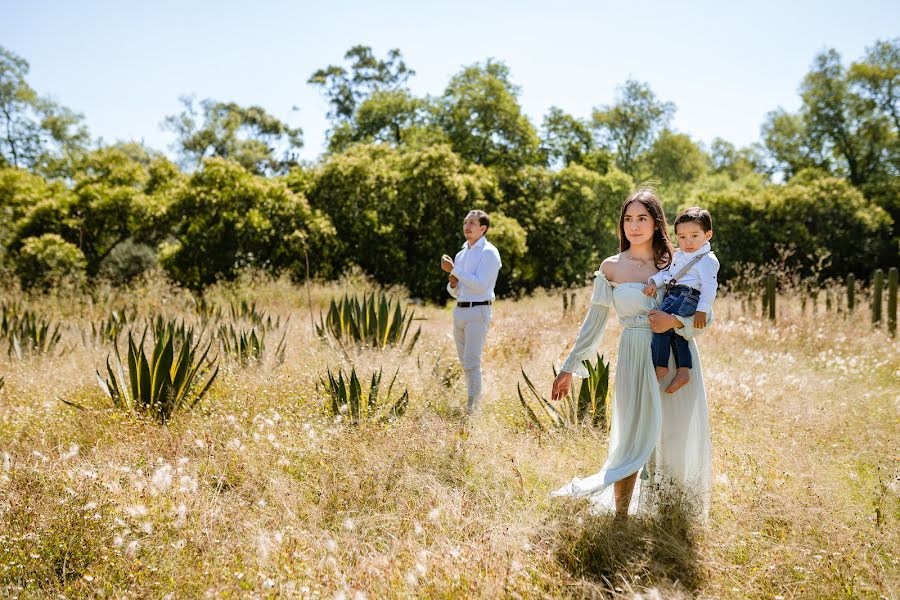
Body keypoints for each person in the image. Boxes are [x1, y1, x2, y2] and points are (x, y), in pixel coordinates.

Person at [550, 189, 712, 520]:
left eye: (642, 218)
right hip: (633, 355)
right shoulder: (610, 267)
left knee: (672, 435)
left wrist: (675, 321)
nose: (634, 226)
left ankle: (672, 516)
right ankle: (622, 518)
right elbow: (592, 324)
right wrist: (569, 367)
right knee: (632, 437)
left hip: (673, 355)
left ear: (656, 223)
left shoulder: (677, 260)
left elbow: (704, 317)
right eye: (628, 219)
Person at [643, 207, 719, 394]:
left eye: (694, 235)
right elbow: (668, 274)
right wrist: (654, 281)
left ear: (707, 235)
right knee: (679, 332)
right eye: (682, 237)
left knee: (660, 323)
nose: (688, 241)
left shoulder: (707, 260)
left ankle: (660, 364)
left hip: (688, 295)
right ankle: (683, 370)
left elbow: (710, 287)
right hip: (676, 293)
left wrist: (702, 310)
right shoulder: (680, 255)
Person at [441, 210, 502, 415]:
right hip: (460, 311)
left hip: (479, 311)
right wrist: (452, 282)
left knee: (472, 363)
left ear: (483, 228)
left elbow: (480, 285)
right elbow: (456, 291)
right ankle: (472, 405)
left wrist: (454, 270)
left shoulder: (489, 252)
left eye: (472, 223)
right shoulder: (461, 253)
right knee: (465, 363)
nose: (467, 226)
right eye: (465, 222)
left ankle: (472, 413)